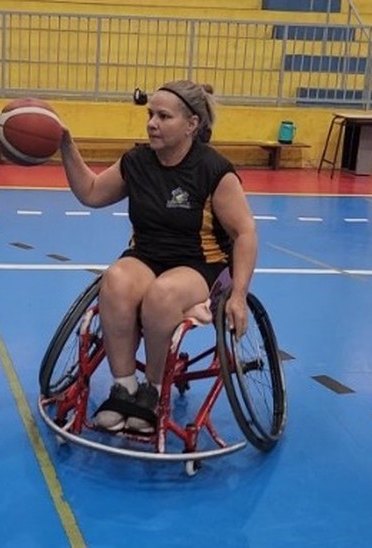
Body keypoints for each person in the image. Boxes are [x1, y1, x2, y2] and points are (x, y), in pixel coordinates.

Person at [57, 79, 259, 433]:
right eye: (151, 114)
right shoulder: (136, 162)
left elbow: (245, 233)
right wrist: (65, 145)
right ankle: (124, 386)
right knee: (116, 279)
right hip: (146, 255)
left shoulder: (214, 170)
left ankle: (152, 390)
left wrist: (239, 295)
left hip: (201, 263)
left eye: (164, 117)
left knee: (162, 294)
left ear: (192, 124)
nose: (152, 123)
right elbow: (90, 192)